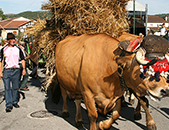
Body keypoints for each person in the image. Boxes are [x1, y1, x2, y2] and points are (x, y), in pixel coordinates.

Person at [0, 33, 26, 112]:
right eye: (11, 39)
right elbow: (1, 61)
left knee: (15, 87)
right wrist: (0, 72)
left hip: (16, 70)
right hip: (7, 71)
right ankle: (9, 104)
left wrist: (24, 69)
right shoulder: (3, 49)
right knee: (7, 88)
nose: (13, 40)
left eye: (14, 39)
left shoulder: (18, 49)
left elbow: (22, 59)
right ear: (8, 41)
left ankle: (14, 101)